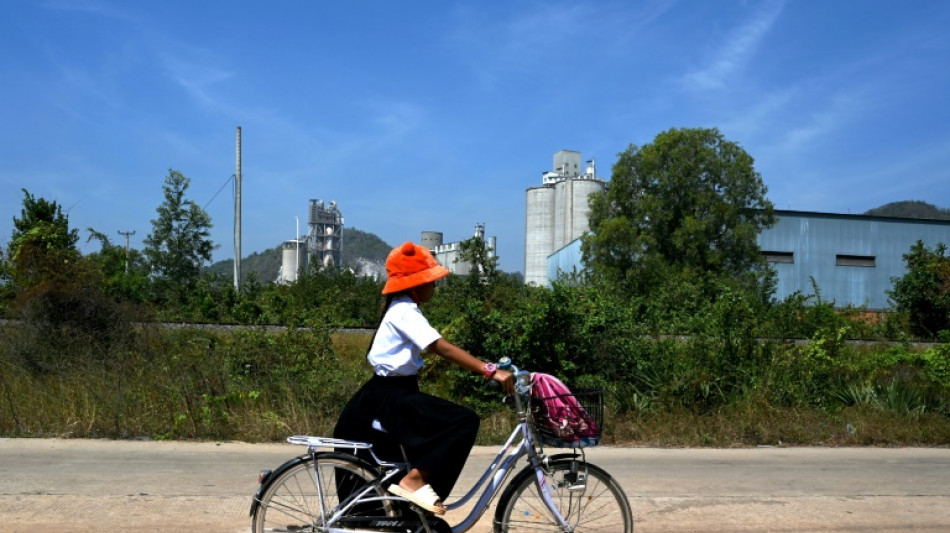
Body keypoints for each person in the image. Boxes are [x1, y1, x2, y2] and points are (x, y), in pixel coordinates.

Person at [333, 241, 513, 515]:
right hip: (392, 397)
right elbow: (442, 347)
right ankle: (414, 482)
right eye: (432, 282)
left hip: (390, 394)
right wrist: (489, 370)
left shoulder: (402, 309)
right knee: (463, 422)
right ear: (415, 285)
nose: (435, 287)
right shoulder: (404, 311)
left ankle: (413, 505)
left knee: (424, 442)